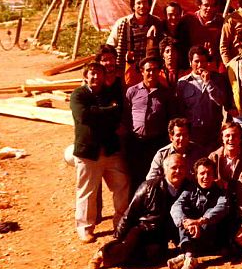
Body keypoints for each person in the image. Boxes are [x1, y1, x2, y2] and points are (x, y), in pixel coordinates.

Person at [89, 153, 189, 269]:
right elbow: (130, 213)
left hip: (160, 235)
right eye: (174, 167)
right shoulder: (149, 187)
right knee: (127, 248)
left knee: (152, 258)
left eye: (182, 167)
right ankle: (102, 254)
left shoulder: (188, 188)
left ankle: (121, 256)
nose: (178, 171)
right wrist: (118, 236)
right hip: (142, 229)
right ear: (165, 169)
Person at [70, 62, 130, 244]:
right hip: (88, 152)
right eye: (92, 74)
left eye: (98, 74)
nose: (95, 77)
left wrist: (104, 114)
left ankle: (120, 223)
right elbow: (84, 116)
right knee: (87, 191)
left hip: (110, 150)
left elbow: (117, 113)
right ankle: (85, 228)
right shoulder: (78, 95)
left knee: (122, 185)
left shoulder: (110, 93)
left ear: (104, 76)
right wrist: (108, 112)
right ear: (85, 76)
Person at [123, 56, 180, 193]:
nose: (151, 73)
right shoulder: (132, 92)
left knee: (156, 178)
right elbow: (125, 116)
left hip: (156, 143)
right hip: (136, 142)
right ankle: (135, 211)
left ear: (159, 71)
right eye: (148, 70)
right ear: (142, 71)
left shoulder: (166, 94)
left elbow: (171, 119)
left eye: (155, 70)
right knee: (135, 177)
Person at [168, 157, 230, 269]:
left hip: (212, 237)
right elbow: (176, 207)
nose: (205, 177)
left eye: (209, 173)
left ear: (214, 175)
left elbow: (221, 208)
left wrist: (199, 222)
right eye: (202, 173)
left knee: (209, 213)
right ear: (196, 175)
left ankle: (186, 256)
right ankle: (189, 256)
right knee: (183, 213)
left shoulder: (220, 191)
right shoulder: (189, 190)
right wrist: (186, 222)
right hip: (192, 234)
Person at [177, 45, 232, 154]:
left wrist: (208, 82)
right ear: (190, 62)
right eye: (196, 61)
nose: (200, 65)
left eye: (203, 61)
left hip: (213, 133)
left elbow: (221, 101)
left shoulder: (218, 79)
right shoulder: (183, 83)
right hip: (192, 133)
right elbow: (180, 110)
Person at [106, 0, 164, 86]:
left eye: (145, 3)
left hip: (150, 72)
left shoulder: (156, 23)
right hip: (128, 70)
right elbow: (109, 47)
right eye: (139, 3)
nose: (142, 6)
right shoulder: (123, 23)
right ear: (133, 6)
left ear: (149, 5)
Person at [175, 0, 225, 71]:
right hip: (190, 66)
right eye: (206, 5)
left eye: (212, 6)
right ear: (199, 5)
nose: (209, 8)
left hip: (212, 66)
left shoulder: (221, 23)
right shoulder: (188, 19)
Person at [209, 122, 242, 189]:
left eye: (235, 135)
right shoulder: (214, 157)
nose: (231, 138)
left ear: (240, 138)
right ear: (222, 138)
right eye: (227, 136)